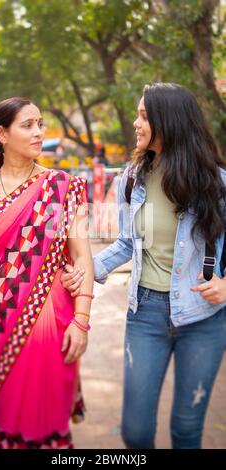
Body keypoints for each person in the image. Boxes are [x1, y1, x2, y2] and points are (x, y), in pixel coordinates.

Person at [61, 82, 226, 449]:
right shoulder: (132, 179)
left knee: (186, 430)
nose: (136, 123)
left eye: (144, 116)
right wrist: (83, 272)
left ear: (169, 121)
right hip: (145, 313)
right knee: (135, 433)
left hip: (204, 318)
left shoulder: (216, 184)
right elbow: (126, 244)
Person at [0, 96, 94, 449]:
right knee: (2, 420)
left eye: (40, 123)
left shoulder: (64, 187)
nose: (38, 132)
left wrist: (82, 320)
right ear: (2, 134)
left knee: (48, 425)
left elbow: (82, 256)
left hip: (53, 325)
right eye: (27, 125)